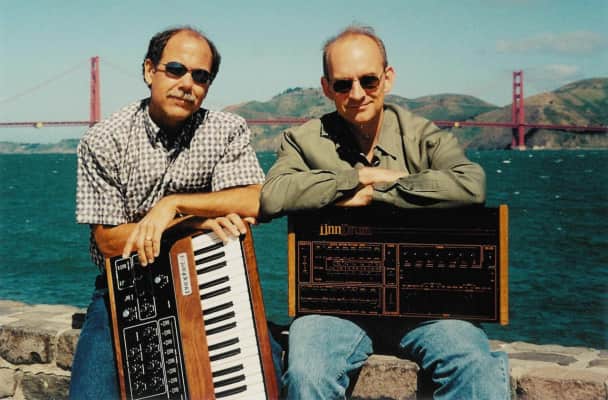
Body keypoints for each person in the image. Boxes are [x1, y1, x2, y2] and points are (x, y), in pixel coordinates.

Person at [259, 25, 510, 399]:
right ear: (326, 88)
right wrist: (355, 178)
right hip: (333, 310)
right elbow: (273, 194)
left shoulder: (423, 134)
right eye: (343, 84)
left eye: (369, 80)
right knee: (307, 373)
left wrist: (383, 189)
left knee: (477, 368)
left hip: (427, 309)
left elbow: (471, 184)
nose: (357, 94)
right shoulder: (302, 140)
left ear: (387, 78)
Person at [70, 26, 279, 399]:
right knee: (90, 393)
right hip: (127, 286)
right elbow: (108, 242)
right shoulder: (104, 139)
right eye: (176, 70)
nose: (187, 84)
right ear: (149, 70)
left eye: (200, 77)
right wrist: (192, 223)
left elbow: (256, 201)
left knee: (268, 379)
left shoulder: (226, 130)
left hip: (213, 279)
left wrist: (174, 205)